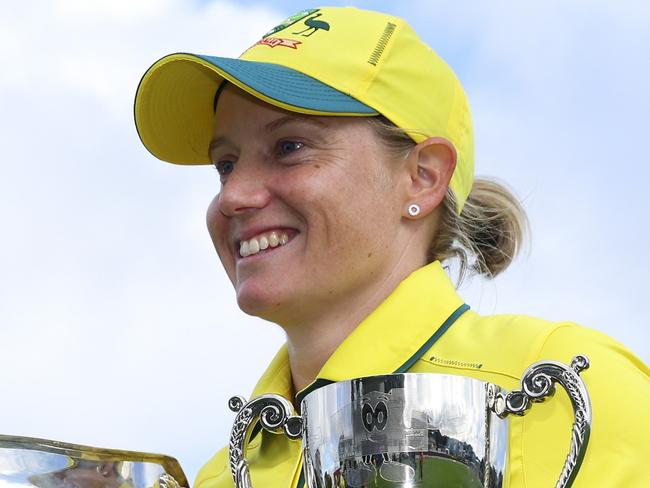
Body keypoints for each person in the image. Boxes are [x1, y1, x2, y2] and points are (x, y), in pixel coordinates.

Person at [133, 6, 649, 487]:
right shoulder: (220, 473)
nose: (234, 196)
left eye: (289, 147)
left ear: (422, 177)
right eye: (226, 164)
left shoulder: (562, 387)